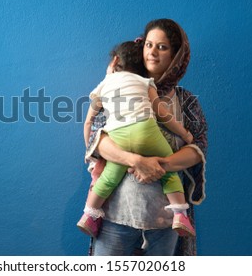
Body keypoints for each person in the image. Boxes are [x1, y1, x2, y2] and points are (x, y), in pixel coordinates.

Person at [84, 19, 207, 256]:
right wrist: (136, 161)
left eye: (162, 47)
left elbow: (198, 145)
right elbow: (97, 140)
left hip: (166, 223)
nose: (152, 52)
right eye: (149, 44)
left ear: (176, 57)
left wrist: (160, 165)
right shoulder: (116, 89)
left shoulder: (187, 101)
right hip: (116, 218)